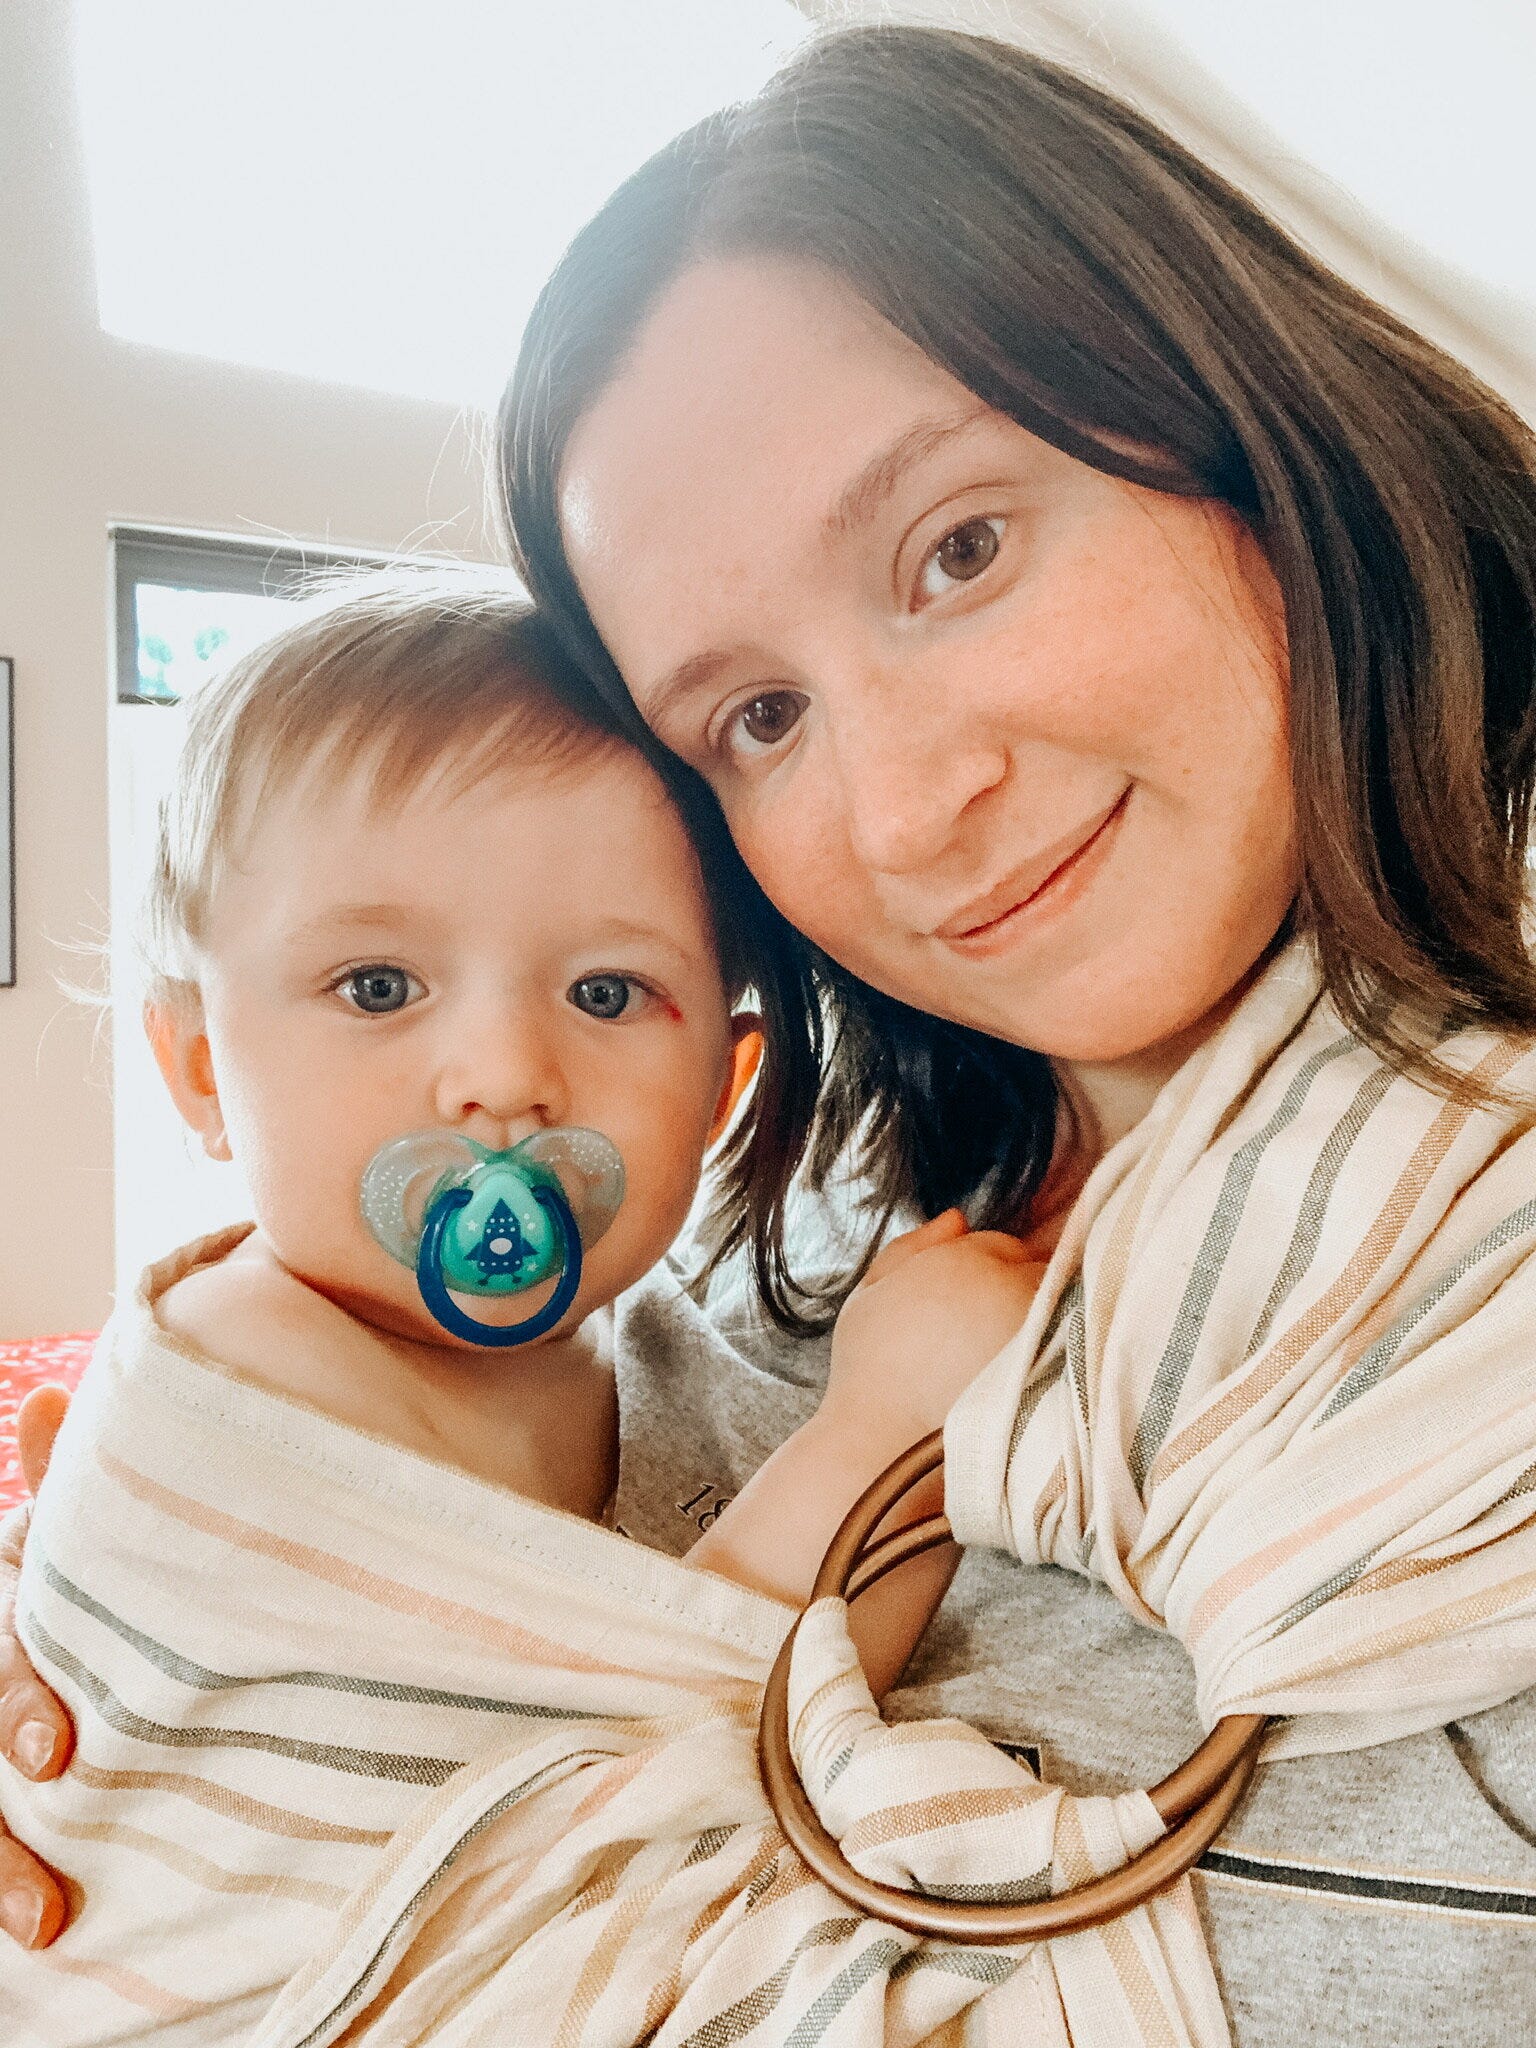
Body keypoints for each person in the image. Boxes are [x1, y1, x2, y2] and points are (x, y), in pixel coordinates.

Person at [4, 20, 1536, 2045]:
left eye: (960, 550)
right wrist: (122, 1636)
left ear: (1247, 411)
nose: (901, 814)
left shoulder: (1458, 1290)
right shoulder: (795, 1202)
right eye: (757, 716)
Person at [0, 573, 1039, 2041]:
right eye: (377, 985)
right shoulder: (259, 1373)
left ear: (722, 1094)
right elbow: (666, 1748)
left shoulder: (632, 1338)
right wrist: (887, 1427)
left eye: (607, 995)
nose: (502, 1076)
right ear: (198, 1070)